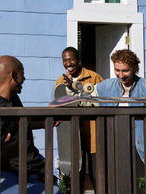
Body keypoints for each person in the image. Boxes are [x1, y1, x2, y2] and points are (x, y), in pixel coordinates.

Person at [0, 55, 61, 194]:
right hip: (7, 173)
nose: (24, 79)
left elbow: (19, 123)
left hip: (35, 170)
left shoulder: (14, 99)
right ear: (13, 75)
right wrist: (4, 155)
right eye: (22, 74)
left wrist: (47, 122)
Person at [55, 47, 103, 190]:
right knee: (76, 176)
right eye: (65, 60)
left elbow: (101, 102)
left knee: (97, 174)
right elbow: (58, 105)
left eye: (71, 59)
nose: (68, 63)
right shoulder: (60, 81)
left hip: (94, 132)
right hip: (72, 133)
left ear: (79, 60)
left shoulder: (94, 77)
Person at [94, 49, 146, 163]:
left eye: (125, 71)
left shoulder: (145, 87)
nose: (121, 75)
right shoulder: (105, 86)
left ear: (134, 68)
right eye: (117, 70)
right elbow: (85, 98)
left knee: (139, 179)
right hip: (113, 145)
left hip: (139, 147)